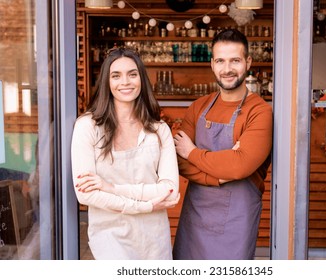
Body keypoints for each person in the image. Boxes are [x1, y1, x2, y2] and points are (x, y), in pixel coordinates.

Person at [172, 29, 273, 260]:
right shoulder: (198, 107)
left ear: (248, 62)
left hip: (236, 223)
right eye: (220, 61)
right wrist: (218, 176)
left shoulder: (259, 112)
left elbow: (239, 166)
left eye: (235, 60)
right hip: (195, 218)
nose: (227, 69)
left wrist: (192, 152)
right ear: (212, 64)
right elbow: (177, 160)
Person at [71, 47, 180, 260]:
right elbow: (86, 193)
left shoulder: (159, 130)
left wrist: (111, 188)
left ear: (142, 79)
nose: (125, 82)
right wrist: (147, 205)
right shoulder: (87, 126)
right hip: (109, 235)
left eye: (132, 74)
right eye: (116, 76)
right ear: (107, 82)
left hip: (153, 238)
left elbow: (170, 190)